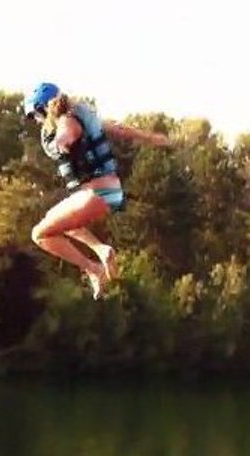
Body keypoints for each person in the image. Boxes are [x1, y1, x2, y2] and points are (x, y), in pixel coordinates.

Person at [24, 82, 171, 299]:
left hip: (94, 194)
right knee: (58, 222)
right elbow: (119, 128)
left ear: (44, 107)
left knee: (40, 234)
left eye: (36, 115)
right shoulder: (83, 115)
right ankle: (101, 250)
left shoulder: (66, 121)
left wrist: (61, 142)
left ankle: (93, 269)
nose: (37, 122)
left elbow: (68, 132)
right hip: (111, 192)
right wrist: (151, 138)